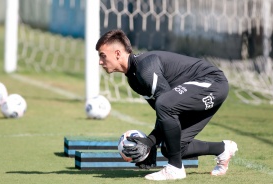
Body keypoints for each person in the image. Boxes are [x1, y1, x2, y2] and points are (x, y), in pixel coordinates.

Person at [95, 29, 238, 181]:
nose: (100, 61)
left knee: (164, 105)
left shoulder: (145, 69)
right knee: (170, 147)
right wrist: (153, 147)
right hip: (202, 92)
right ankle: (223, 149)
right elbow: (164, 114)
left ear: (117, 53)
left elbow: (164, 105)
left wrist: (150, 141)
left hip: (212, 83)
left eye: (103, 56)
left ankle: (175, 168)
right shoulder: (133, 80)